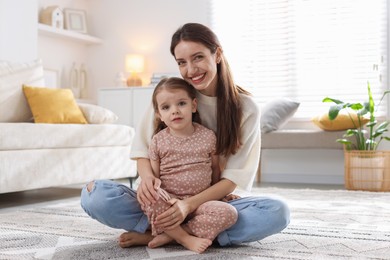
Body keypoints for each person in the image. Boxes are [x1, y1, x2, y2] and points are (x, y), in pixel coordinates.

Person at [80, 22, 290, 249]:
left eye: (198, 57)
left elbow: (232, 179)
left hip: (208, 204)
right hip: (162, 201)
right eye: (182, 62)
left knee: (277, 212)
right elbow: (142, 152)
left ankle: (165, 234)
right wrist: (148, 180)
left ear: (217, 54)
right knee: (94, 195)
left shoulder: (246, 108)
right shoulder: (170, 96)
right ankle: (191, 230)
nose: (191, 70)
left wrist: (187, 206)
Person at [142, 77, 237, 253]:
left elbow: (215, 171)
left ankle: (167, 236)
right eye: (166, 107)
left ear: (194, 106)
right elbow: (155, 179)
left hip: (201, 203)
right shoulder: (158, 141)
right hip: (169, 204)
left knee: (229, 213)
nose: (175, 111)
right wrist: (154, 192)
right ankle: (185, 239)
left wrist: (220, 196)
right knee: (151, 195)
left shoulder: (208, 136)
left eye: (181, 104)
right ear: (159, 115)